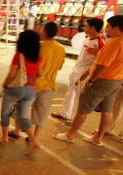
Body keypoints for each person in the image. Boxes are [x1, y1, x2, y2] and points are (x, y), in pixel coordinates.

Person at [54, 15, 123, 146]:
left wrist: (91, 79)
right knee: (107, 110)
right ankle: (98, 138)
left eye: (108, 26)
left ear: (117, 28)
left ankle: (70, 135)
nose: (106, 29)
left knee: (83, 108)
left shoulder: (113, 43)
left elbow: (102, 65)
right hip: (116, 81)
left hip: (103, 80)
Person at [0, 30, 41, 152]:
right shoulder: (38, 57)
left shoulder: (19, 56)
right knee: (23, 116)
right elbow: (39, 74)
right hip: (30, 89)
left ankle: (4, 137)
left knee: (5, 112)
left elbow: (12, 74)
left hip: (16, 89)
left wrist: (5, 84)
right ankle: (33, 140)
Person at [52, 18, 105, 122]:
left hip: (85, 73)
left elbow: (101, 62)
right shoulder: (87, 38)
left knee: (79, 97)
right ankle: (65, 113)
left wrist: (87, 74)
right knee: (70, 92)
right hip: (77, 69)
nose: (84, 27)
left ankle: (73, 118)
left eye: (86, 26)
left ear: (93, 28)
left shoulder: (100, 43)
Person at [29, 22, 66, 138]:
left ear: (44, 31)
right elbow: (59, 67)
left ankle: (16, 130)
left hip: (33, 84)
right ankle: (35, 137)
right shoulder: (61, 49)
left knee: (22, 109)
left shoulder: (38, 46)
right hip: (49, 86)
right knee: (41, 113)